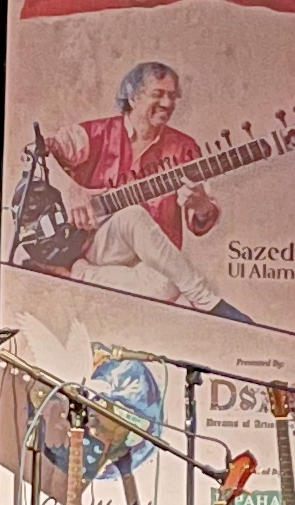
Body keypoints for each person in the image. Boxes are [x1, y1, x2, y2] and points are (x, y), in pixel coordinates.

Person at [36, 62, 250, 321]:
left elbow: (198, 221)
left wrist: (202, 205)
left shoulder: (183, 148)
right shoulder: (96, 134)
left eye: (172, 96)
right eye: (158, 94)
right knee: (133, 215)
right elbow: (35, 152)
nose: (167, 103)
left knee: (169, 283)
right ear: (133, 97)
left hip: (147, 262)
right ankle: (207, 300)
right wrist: (72, 188)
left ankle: (81, 274)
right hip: (91, 243)